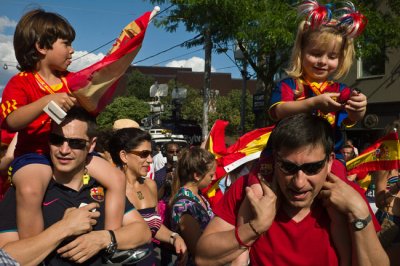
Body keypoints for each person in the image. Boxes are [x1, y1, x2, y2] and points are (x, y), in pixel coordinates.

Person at [195, 113, 388, 266]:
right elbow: (203, 256)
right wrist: (254, 228)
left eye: (312, 168)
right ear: (274, 160)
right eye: (288, 167)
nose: (299, 182)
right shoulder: (248, 190)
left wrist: (360, 213)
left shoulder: (350, 195)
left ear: (330, 161)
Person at [0, 9, 125, 239]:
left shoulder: (73, 81)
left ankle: (110, 239)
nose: (72, 50)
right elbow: (11, 121)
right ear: (41, 46)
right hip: (34, 154)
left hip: (74, 151)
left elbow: (90, 110)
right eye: (66, 44)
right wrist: (45, 102)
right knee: (30, 189)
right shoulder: (20, 83)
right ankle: (34, 249)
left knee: (116, 177)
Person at [0, 107, 151, 265]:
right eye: (57, 140)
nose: (64, 150)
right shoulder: (27, 189)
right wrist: (64, 228)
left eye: (76, 143)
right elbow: (5, 257)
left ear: (91, 145)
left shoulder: (103, 185)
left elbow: (142, 231)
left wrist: (104, 238)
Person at [268, 0, 367, 154]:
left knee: (341, 178)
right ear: (301, 52)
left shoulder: (340, 90)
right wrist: (313, 103)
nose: (322, 61)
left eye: (332, 56)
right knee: (258, 177)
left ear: (341, 59)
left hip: (330, 154)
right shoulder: (289, 85)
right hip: (290, 153)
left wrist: (359, 107)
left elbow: (352, 117)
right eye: (315, 54)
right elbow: (279, 111)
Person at [109, 128, 187, 266]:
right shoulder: (110, 189)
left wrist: (174, 237)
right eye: (144, 154)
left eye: (150, 154)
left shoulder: (150, 185)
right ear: (124, 156)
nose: (150, 160)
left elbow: (154, 227)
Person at [0, 203, 100, 265]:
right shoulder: (23, 188)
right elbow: (6, 260)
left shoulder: (102, 184)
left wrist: (106, 238)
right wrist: (66, 226)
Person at [169, 147, 216, 266]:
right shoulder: (184, 205)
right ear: (197, 175)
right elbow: (198, 250)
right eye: (211, 175)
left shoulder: (198, 196)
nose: (214, 178)